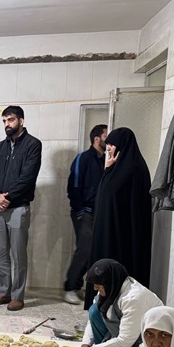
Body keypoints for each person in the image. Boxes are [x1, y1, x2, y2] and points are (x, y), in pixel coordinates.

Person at [84, 127, 152, 309]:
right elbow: (103, 197)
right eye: (108, 144)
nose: (108, 148)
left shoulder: (134, 169)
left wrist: (108, 172)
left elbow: (114, 197)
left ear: (123, 145)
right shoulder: (118, 168)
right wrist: (107, 170)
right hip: (111, 230)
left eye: (112, 144)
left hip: (122, 236)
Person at [0, 106, 42, 312]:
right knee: (1, 253)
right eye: (4, 121)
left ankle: (17, 296)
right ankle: (4, 292)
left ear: (21, 121)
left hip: (18, 207)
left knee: (18, 255)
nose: (7, 124)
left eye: (10, 120)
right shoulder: (0, 147)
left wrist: (7, 197)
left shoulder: (32, 144)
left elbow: (28, 177)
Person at [69, 259, 163, 347]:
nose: (95, 288)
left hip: (145, 345)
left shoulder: (134, 298)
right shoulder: (111, 288)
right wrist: (85, 346)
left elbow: (126, 340)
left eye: (98, 284)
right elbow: (91, 322)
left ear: (109, 281)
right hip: (127, 337)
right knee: (95, 310)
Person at [63, 124, 107, 305]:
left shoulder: (105, 160)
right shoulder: (84, 158)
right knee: (85, 250)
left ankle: (77, 286)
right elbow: (73, 185)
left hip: (98, 213)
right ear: (97, 138)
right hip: (85, 212)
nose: (109, 140)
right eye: (106, 136)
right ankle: (70, 288)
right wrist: (79, 211)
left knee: (91, 251)